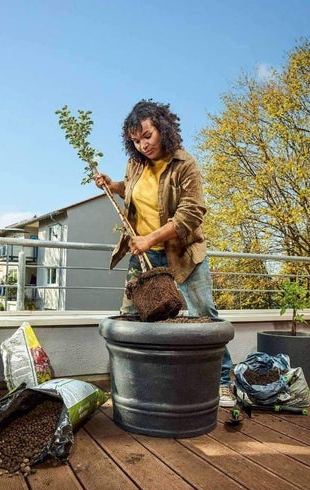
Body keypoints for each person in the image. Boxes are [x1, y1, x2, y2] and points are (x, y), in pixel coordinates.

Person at [94, 99, 236, 408]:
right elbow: (134, 190)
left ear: (163, 128)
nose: (142, 145)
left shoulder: (185, 164)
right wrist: (114, 185)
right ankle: (128, 386)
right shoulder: (135, 165)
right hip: (142, 256)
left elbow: (191, 214)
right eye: (135, 140)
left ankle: (225, 382)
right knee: (131, 318)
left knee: (203, 316)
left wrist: (151, 238)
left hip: (182, 255)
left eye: (147, 136)